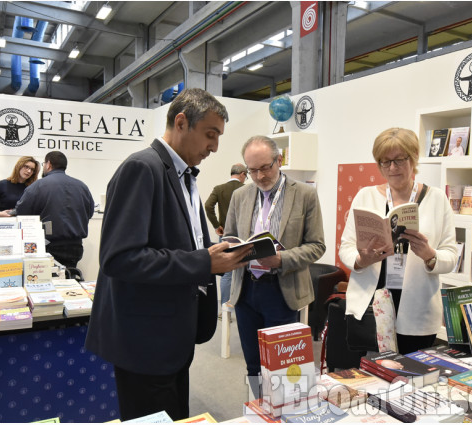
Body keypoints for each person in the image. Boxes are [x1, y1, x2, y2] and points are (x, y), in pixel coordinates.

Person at [85, 88, 251, 422]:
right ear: (180, 122)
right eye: (210, 134)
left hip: (172, 336)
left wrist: (215, 255)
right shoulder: (141, 168)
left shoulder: (182, 174)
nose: (214, 147)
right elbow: (119, 258)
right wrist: (204, 261)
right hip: (145, 342)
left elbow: (182, 242)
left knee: (174, 416)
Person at [339, 127, 457, 355]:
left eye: (399, 160)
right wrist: (361, 259)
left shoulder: (437, 199)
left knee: (410, 379)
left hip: (418, 308)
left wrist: (430, 255)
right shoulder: (366, 196)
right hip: (371, 306)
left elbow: (451, 255)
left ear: (413, 159)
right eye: (385, 162)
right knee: (372, 379)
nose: (392, 168)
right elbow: (346, 247)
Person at [223, 135, 325, 397]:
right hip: (246, 290)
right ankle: (259, 407)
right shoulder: (240, 195)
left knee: (284, 367)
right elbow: (229, 237)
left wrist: (281, 259)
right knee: (253, 365)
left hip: (282, 291)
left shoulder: (305, 194)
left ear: (279, 161)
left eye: (265, 168)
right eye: (252, 170)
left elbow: (316, 245)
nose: (258, 176)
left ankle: (284, 412)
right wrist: (232, 249)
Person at [15, 151, 94, 268]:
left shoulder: (38, 186)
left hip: (48, 246)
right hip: (75, 247)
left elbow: (21, 212)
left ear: (48, 164)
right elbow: (90, 212)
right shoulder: (82, 186)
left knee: (47, 281)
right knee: (70, 281)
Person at [204, 163, 247, 309]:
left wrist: (217, 226)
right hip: (245, 235)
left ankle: (224, 308)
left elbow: (208, 206)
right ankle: (242, 305)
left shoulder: (219, 189)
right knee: (246, 269)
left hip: (226, 235)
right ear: (242, 174)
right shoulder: (246, 189)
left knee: (227, 273)